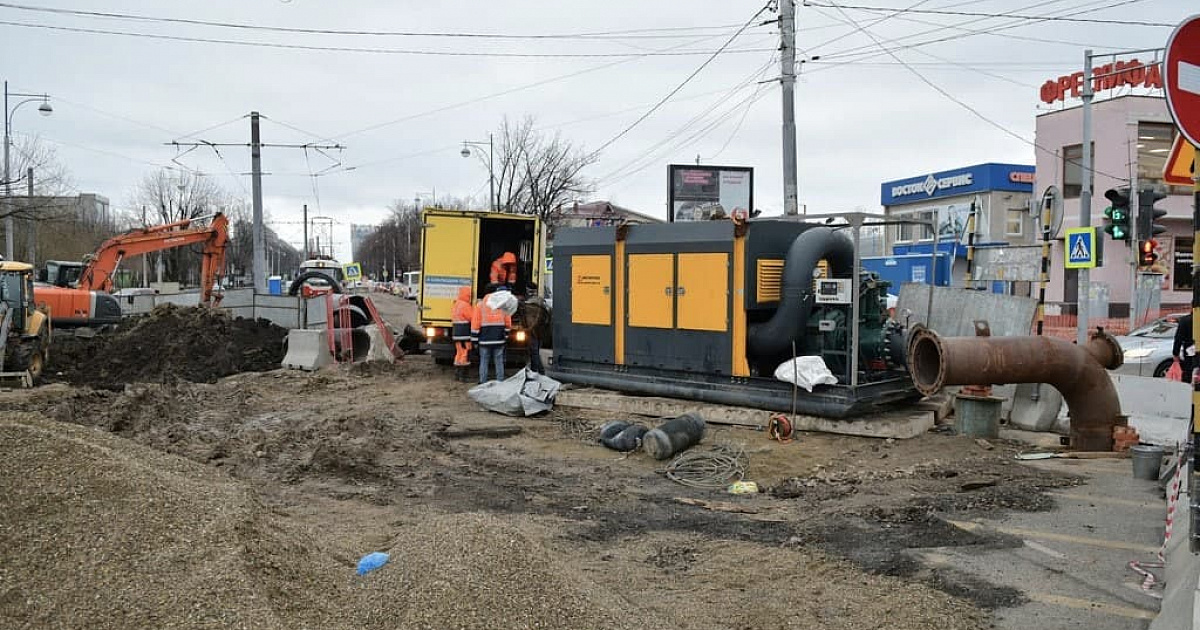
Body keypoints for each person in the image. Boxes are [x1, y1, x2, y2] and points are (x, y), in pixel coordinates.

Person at [471, 283, 512, 384]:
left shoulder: (480, 305)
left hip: (484, 340)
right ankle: (500, 382)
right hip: (499, 339)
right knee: (499, 361)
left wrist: (475, 340)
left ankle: (483, 382)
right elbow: (508, 323)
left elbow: (475, 324)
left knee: (484, 361)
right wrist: (506, 335)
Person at [521, 283, 549, 374]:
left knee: (534, 352)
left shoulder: (530, 303)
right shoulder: (541, 301)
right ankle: (539, 371)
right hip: (540, 331)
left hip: (533, 332)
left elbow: (529, 319)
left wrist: (527, 328)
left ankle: (537, 371)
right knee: (535, 352)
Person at [450, 285, 474, 382]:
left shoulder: (456, 304)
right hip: (464, 334)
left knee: (459, 353)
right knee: (465, 353)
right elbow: (471, 317)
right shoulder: (465, 305)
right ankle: (463, 376)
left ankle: (457, 374)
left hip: (456, 333)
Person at [1173, 313, 1194, 381]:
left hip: (1189, 351)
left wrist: (1176, 353)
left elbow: (1178, 338)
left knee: (1189, 373)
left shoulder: (1185, 320)